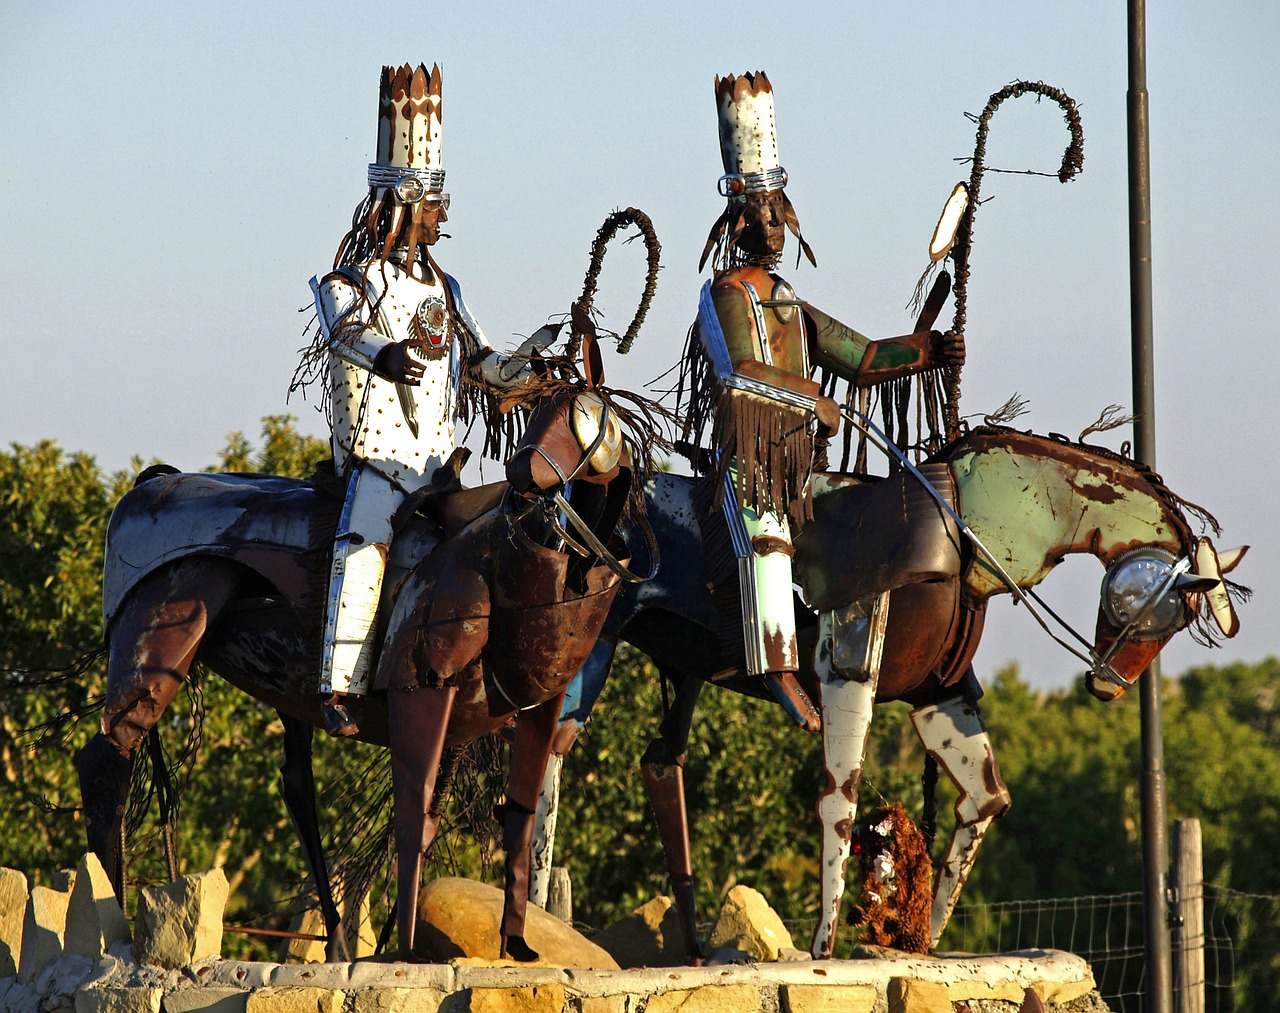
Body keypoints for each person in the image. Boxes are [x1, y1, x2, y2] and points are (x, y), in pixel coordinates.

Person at [681, 71, 964, 729]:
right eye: (763, 212)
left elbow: (863, 358)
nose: (775, 224)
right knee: (767, 539)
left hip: (803, 469)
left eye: (781, 211)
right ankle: (776, 664)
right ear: (738, 218)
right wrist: (813, 400)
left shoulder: (790, 302)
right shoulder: (727, 294)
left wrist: (927, 351)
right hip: (750, 468)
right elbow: (740, 374)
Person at [296, 64, 533, 736]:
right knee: (363, 542)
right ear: (402, 201)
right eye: (432, 204)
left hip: (438, 466)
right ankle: (337, 686)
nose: (441, 216)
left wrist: (528, 371)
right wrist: (388, 354)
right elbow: (344, 332)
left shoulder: (449, 285)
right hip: (378, 463)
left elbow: (481, 361)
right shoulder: (354, 278)